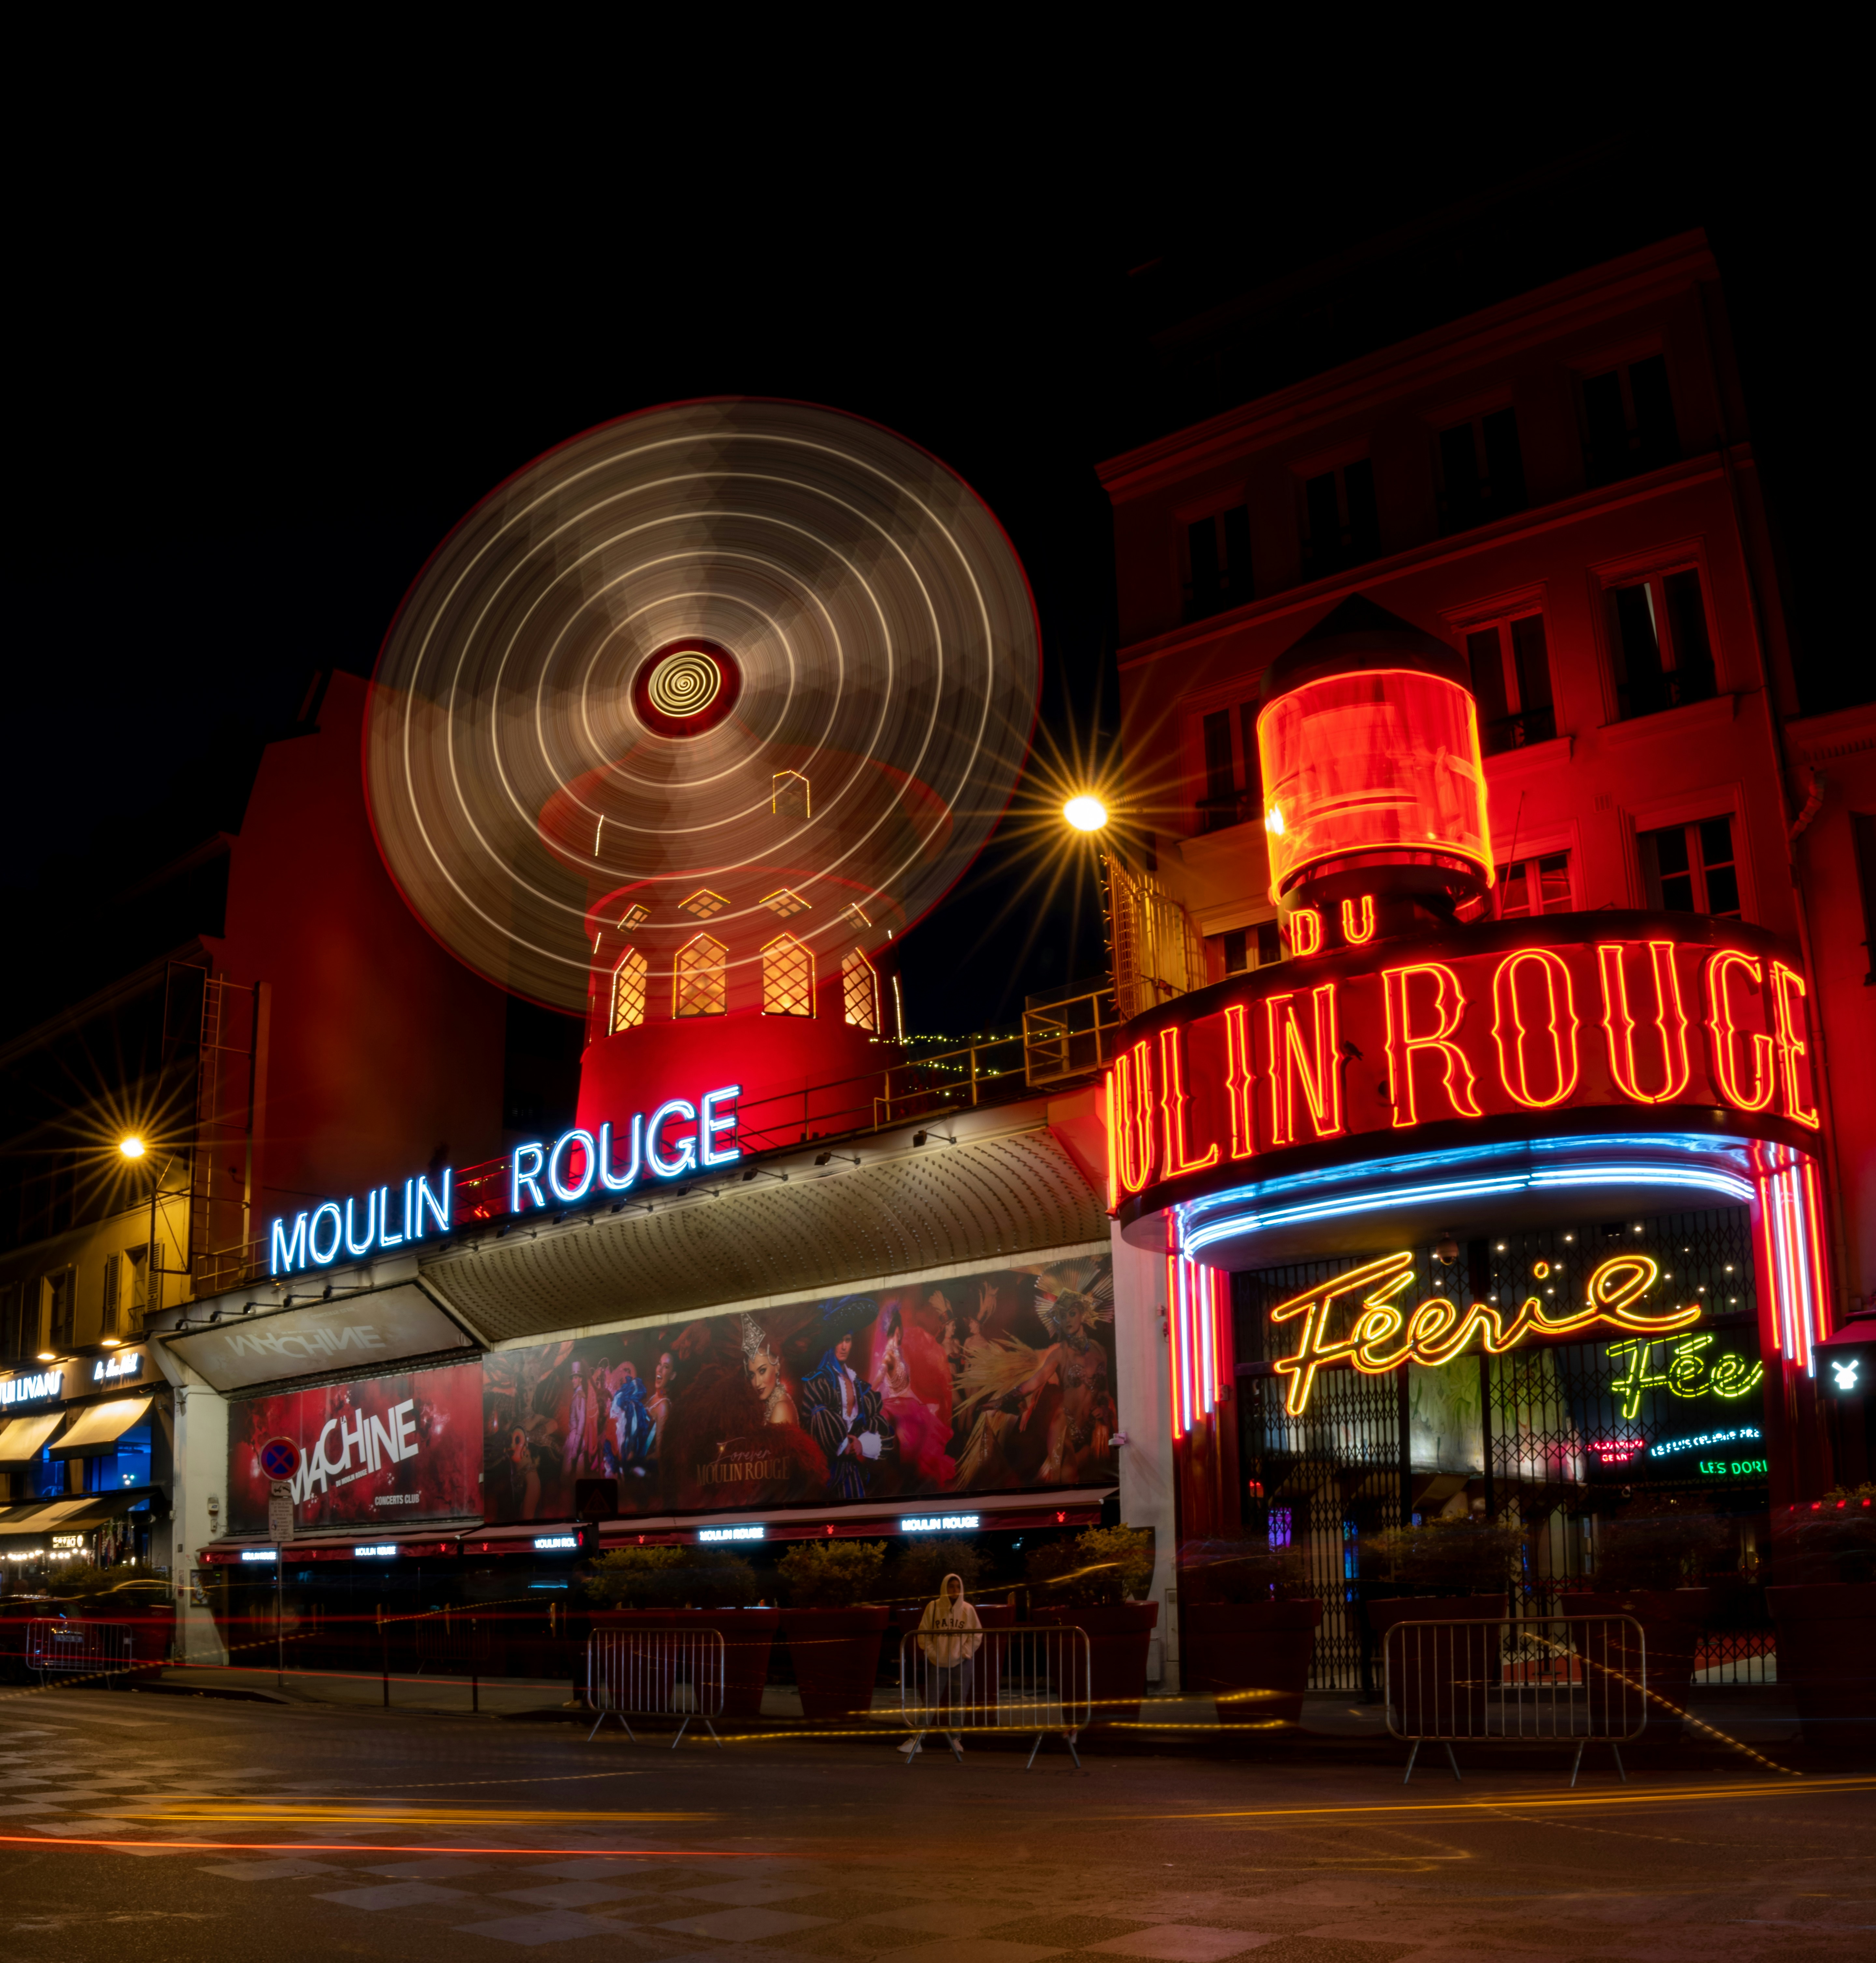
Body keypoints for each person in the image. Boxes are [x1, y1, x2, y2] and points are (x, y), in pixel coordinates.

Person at [798, 1295, 897, 1503]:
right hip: (824, 1476)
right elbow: (814, 1429)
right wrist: (844, 1446)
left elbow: (883, 1431)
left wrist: (860, 1445)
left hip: (855, 1475)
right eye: (839, 1341)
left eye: (848, 1340)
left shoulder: (861, 1387)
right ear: (831, 1343)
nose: (844, 1346)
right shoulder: (819, 1382)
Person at [899, 1572, 982, 1757]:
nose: (954, 1590)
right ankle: (917, 1740)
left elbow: (977, 1634)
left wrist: (965, 1652)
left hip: (961, 1663)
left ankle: (955, 1739)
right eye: (951, 1586)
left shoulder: (968, 1610)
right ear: (945, 1588)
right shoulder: (934, 1607)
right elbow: (924, 1632)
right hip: (937, 1662)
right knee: (930, 1701)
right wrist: (932, 1653)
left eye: (958, 1587)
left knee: (958, 1702)